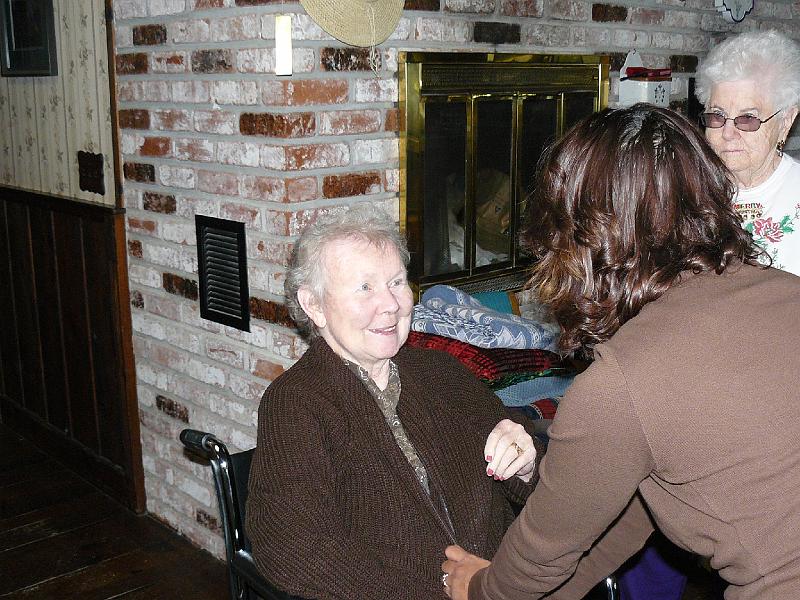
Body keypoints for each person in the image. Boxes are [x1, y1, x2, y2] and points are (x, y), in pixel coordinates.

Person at [441, 104, 800, 600]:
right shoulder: (787, 290)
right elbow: (639, 505)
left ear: (583, 233)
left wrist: (479, 590)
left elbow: (545, 550)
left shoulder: (619, 388)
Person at [245, 204, 545, 600]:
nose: (391, 304)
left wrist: (526, 465)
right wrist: (442, 589)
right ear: (313, 305)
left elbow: (539, 490)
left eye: (397, 282)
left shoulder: (442, 371)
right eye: (365, 287)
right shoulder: (295, 403)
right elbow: (293, 546)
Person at [696, 29, 800, 275]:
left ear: (785, 121)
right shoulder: (690, 190)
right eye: (717, 115)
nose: (728, 132)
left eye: (747, 118)